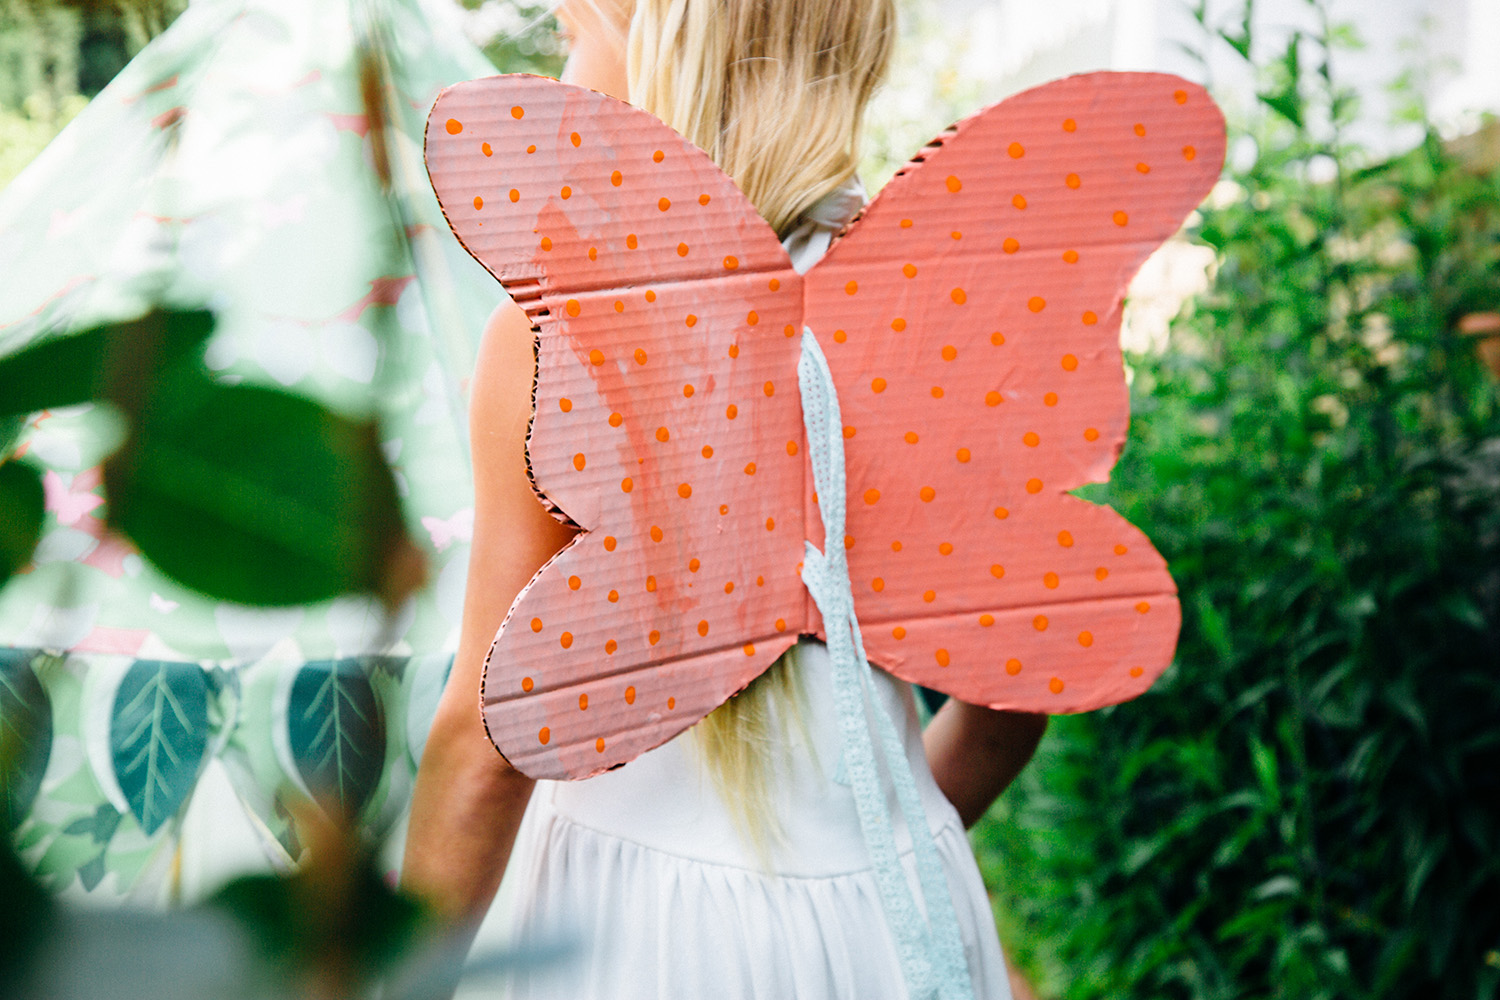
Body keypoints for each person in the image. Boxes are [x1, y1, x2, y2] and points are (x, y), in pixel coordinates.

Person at [402, 0, 1050, 994]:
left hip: (633, 930)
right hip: (900, 913)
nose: (569, 68)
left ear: (649, 35)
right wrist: (869, 853)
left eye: (576, 34)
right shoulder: (956, 315)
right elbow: (1013, 697)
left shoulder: (561, 328)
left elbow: (487, 750)